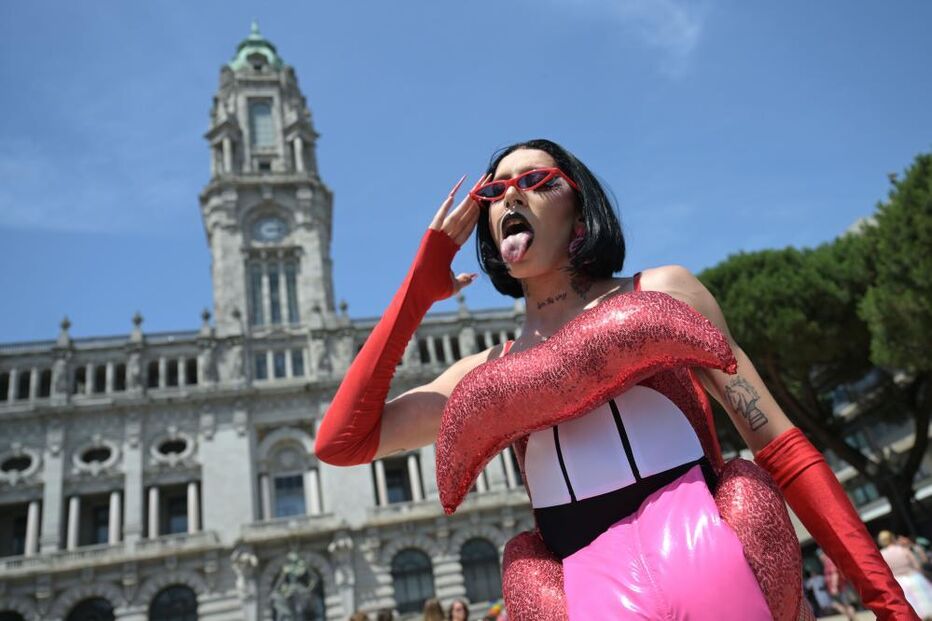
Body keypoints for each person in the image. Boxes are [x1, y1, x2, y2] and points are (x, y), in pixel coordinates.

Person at [315, 139, 916, 620]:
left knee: (751, 494)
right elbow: (341, 443)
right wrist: (419, 288)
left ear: (579, 209)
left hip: (726, 576)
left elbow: (777, 446)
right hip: (586, 596)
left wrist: (888, 603)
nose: (509, 198)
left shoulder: (663, 292)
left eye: (536, 181)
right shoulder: (483, 374)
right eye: (495, 191)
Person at [880, 530, 932, 618]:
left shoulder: (882, 554)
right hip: (913, 578)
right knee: (926, 604)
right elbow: (917, 565)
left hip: (899, 582)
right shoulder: (903, 550)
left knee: (910, 609)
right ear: (892, 538)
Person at [818, 548, 859, 620]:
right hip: (838, 588)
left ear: (824, 554)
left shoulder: (829, 561)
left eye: (821, 555)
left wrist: (834, 587)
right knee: (843, 605)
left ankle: (853, 619)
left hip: (840, 587)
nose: (820, 558)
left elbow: (835, 573)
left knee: (842, 605)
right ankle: (852, 618)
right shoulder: (827, 563)